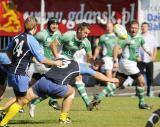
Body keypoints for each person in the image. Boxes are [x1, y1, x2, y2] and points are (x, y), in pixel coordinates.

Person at [0, 59, 119, 126]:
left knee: (22, 100)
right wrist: (110, 79)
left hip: (42, 82)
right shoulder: (81, 66)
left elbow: (49, 63)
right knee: (71, 91)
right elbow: (97, 74)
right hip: (55, 87)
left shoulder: (63, 60)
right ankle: (63, 118)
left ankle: (3, 121)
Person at [0, 16, 62, 127]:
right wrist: (56, 63)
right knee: (23, 101)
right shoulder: (32, 40)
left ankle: (2, 113)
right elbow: (42, 60)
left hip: (11, 72)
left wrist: (20, 60)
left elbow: (8, 53)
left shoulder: (16, 37)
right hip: (21, 74)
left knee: (19, 99)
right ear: (35, 27)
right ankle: (3, 122)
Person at [92, 20, 153, 110]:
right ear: (129, 28)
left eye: (135, 28)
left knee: (116, 83)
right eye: (132, 28)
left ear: (138, 28)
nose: (133, 30)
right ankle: (142, 103)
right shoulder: (125, 37)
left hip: (128, 64)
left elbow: (144, 45)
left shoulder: (140, 37)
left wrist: (149, 52)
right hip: (127, 63)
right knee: (142, 81)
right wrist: (115, 61)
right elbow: (116, 48)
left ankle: (99, 97)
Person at [52, 22, 97, 110]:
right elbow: (53, 44)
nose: (86, 35)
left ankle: (88, 103)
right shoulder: (69, 35)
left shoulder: (86, 42)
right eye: (85, 33)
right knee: (56, 83)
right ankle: (35, 102)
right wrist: (57, 58)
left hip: (70, 60)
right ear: (79, 30)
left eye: (88, 33)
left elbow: (90, 57)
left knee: (78, 77)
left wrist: (94, 63)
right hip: (61, 57)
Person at [29, 17, 62, 118]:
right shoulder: (42, 34)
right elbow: (30, 42)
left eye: (56, 24)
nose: (55, 26)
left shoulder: (58, 34)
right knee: (52, 83)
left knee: (33, 87)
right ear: (48, 24)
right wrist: (32, 57)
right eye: (53, 24)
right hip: (40, 62)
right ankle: (52, 100)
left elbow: (57, 46)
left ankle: (26, 102)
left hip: (50, 62)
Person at [93, 22, 118, 87]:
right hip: (106, 58)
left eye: (110, 27)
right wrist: (94, 58)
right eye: (107, 27)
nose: (109, 28)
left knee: (113, 75)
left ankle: (109, 89)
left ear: (113, 28)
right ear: (106, 28)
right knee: (108, 75)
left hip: (115, 58)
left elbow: (119, 48)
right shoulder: (103, 37)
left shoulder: (117, 37)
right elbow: (98, 48)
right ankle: (109, 91)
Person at [137, 22, 158, 97]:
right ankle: (138, 92)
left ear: (148, 28)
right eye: (142, 26)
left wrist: (154, 57)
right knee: (139, 76)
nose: (143, 28)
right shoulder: (138, 36)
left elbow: (155, 48)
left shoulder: (152, 37)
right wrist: (137, 56)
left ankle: (150, 91)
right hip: (140, 60)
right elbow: (135, 48)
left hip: (149, 60)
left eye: (145, 27)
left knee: (150, 76)